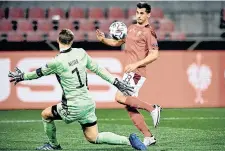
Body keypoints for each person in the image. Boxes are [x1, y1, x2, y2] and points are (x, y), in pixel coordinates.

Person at [8, 29, 147, 150]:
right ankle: (129, 141)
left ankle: (53, 145)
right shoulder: (80, 53)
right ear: (72, 41)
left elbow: (37, 73)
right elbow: (99, 70)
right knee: (93, 137)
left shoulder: (57, 61)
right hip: (88, 103)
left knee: (45, 115)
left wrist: (22, 77)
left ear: (58, 40)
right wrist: (116, 82)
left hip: (72, 106)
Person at [96, 2, 161, 146]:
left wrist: (136, 64)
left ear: (148, 14)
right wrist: (103, 40)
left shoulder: (148, 32)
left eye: (142, 13)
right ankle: (148, 136)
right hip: (129, 73)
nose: (139, 15)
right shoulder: (131, 28)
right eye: (137, 12)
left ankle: (152, 108)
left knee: (119, 97)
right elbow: (117, 42)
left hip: (137, 72)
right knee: (129, 106)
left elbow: (155, 54)